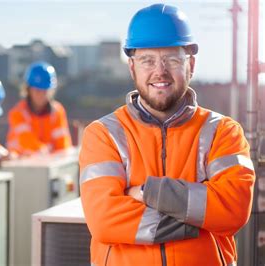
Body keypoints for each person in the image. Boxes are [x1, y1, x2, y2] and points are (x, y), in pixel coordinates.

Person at [79, 3, 255, 265]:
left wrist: (148, 191)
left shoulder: (223, 132)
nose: (159, 71)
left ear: (191, 64)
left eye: (172, 59)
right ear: (132, 67)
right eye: (147, 60)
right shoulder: (104, 134)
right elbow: (105, 220)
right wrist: (198, 221)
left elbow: (233, 210)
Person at [6, 61, 72, 156]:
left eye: (44, 91)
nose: (41, 95)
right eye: (37, 90)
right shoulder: (17, 113)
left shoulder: (57, 111)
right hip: (20, 164)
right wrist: (44, 152)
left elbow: (63, 144)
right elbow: (26, 141)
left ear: (51, 91)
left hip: (49, 163)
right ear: (28, 89)